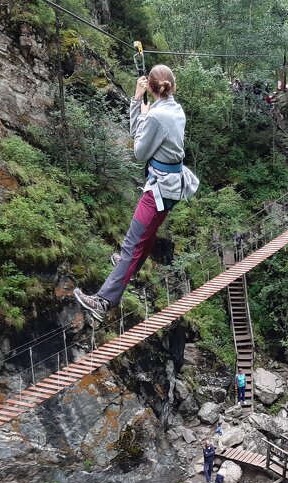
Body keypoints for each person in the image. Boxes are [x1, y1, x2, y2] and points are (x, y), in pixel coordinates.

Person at [74, 65, 200, 322]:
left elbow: (139, 151)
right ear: (172, 86)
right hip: (170, 186)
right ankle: (129, 265)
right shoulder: (175, 109)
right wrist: (143, 111)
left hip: (160, 189)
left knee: (133, 243)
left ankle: (103, 301)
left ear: (151, 88)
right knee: (145, 236)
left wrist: (137, 103)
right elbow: (143, 133)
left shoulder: (155, 116)